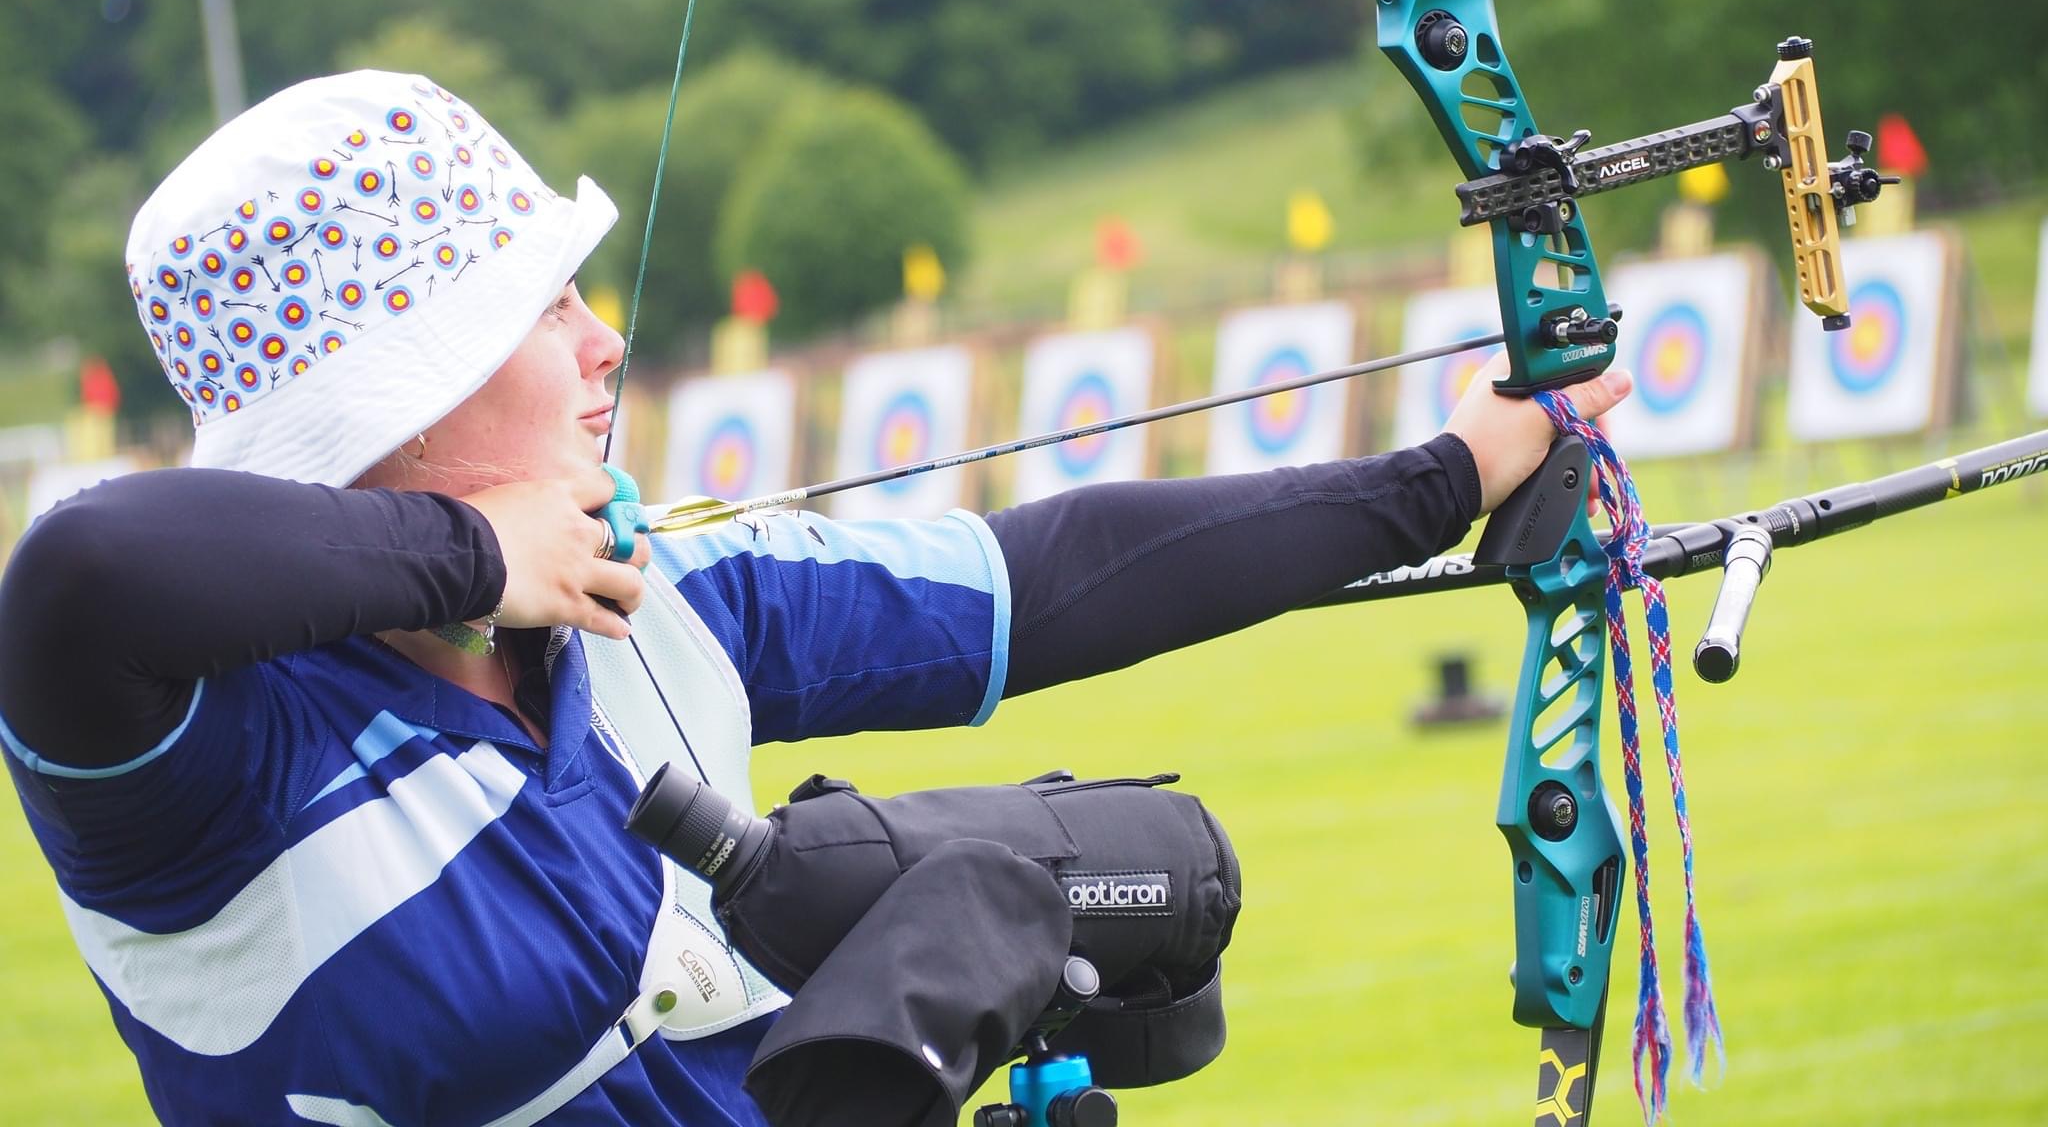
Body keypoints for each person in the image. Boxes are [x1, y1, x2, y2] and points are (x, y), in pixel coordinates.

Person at [0, 71, 1629, 1126]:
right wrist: (480, 557)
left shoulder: (661, 602)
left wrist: (1441, 480)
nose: (601, 341)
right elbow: (79, 575)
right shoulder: (207, 770)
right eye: (539, 305)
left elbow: (1049, 582)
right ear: (398, 399)